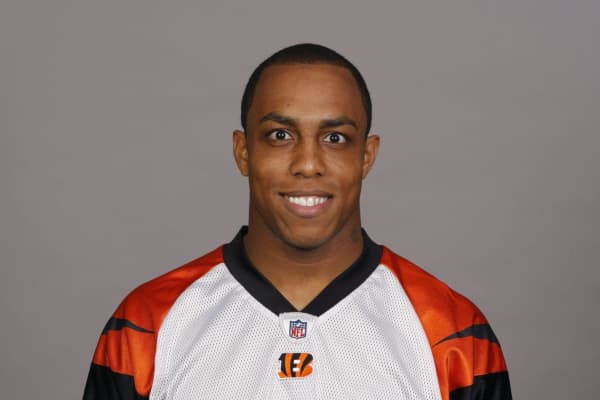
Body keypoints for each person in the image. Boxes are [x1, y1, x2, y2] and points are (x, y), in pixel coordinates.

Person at [83, 43, 512, 400]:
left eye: (335, 138)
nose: (308, 164)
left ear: (366, 157)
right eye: (280, 136)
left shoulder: (453, 334)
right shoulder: (147, 325)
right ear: (243, 152)